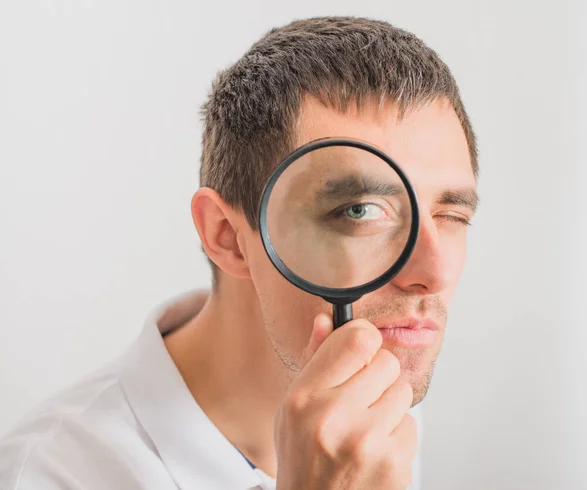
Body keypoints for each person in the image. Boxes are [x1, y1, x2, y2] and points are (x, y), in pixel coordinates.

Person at [0, 16, 479, 490]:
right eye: (359, 211)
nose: (433, 272)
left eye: (452, 216)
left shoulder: (379, 409)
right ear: (227, 236)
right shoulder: (46, 475)